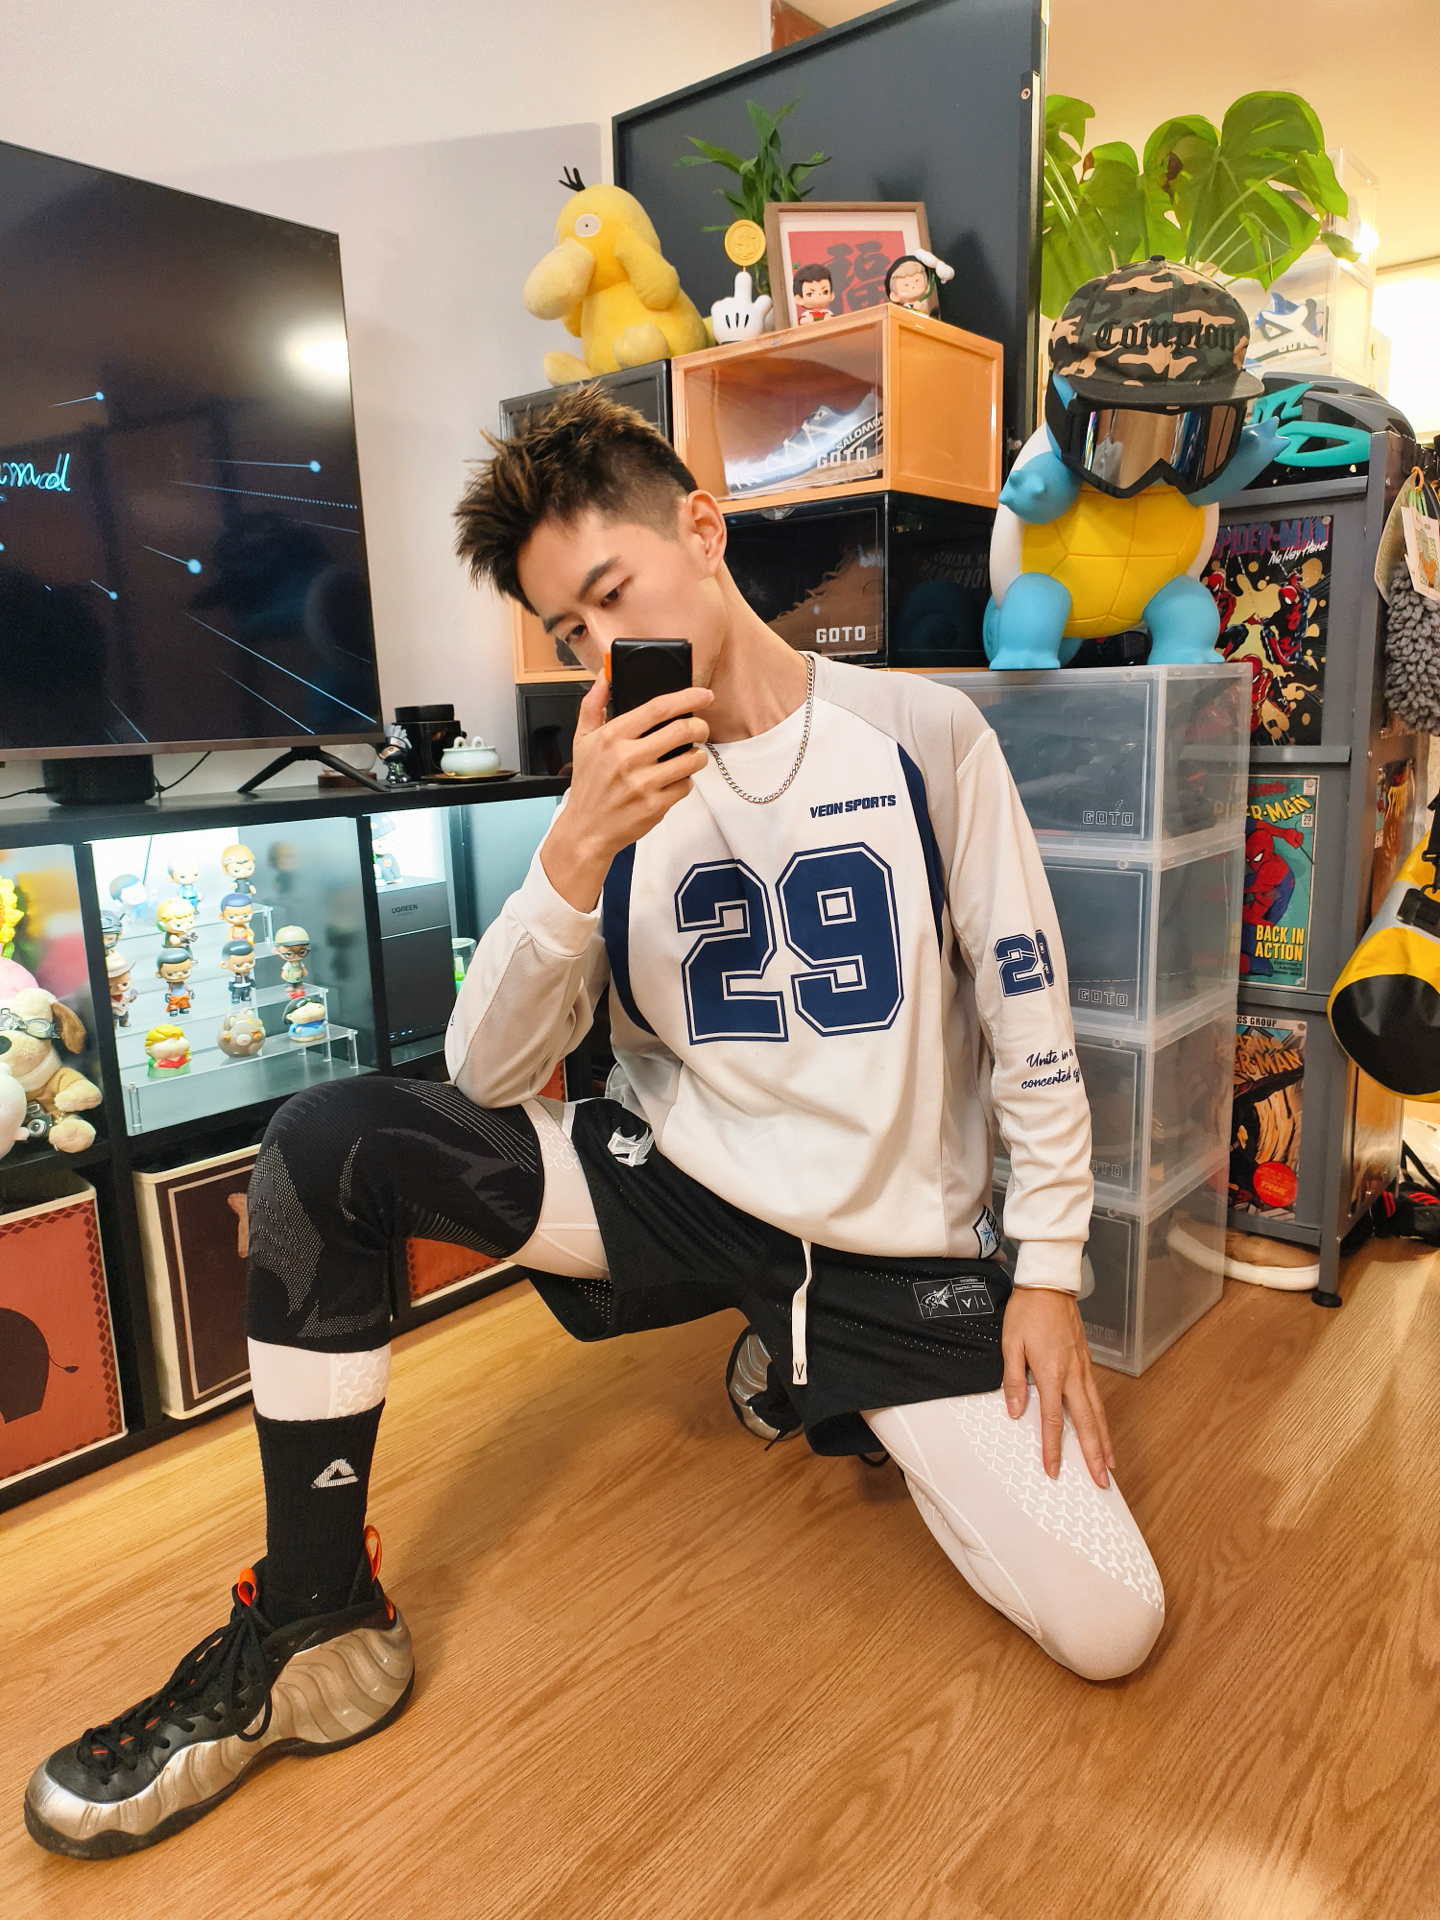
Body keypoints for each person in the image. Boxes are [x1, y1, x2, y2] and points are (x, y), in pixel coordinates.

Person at [24, 388, 1164, 1861]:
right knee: (323, 1147)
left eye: (613, 595)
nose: (600, 651)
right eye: (569, 632)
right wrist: (572, 851)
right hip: (676, 1193)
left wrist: (1052, 1271)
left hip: (890, 1251)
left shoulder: (921, 735)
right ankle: (320, 1622)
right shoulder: (606, 796)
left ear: (704, 530)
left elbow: (1029, 1011)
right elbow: (486, 1072)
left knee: (1111, 1624)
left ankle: (810, 1365)